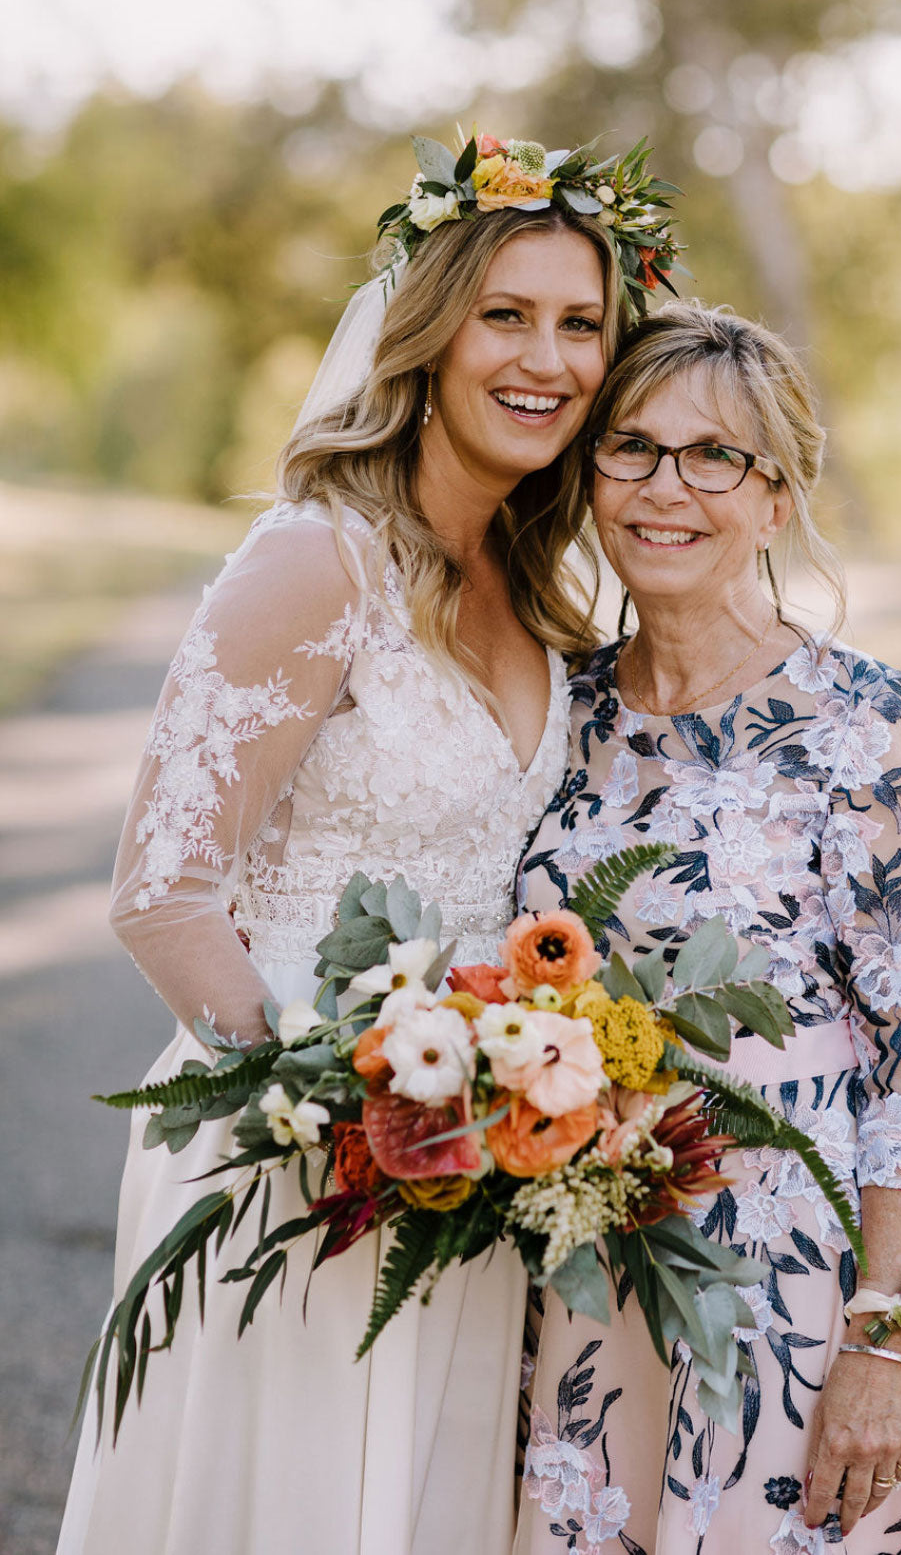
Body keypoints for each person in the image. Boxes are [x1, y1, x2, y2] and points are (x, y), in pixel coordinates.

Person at [57, 131, 680, 1555]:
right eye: (505, 314)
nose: (549, 357)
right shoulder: (315, 561)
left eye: (581, 323)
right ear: (427, 331)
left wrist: (503, 1118)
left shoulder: (533, 589)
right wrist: (343, 1115)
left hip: (473, 1176)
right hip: (301, 1179)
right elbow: (162, 896)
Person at [513, 302, 901, 1554]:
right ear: (591, 473)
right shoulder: (551, 712)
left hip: (799, 1291)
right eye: (634, 448)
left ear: (774, 499)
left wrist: (886, 1339)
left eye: (716, 456)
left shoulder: (859, 719)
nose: (668, 488)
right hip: (588, 1280)